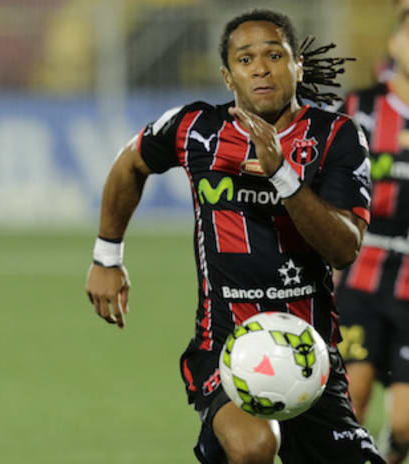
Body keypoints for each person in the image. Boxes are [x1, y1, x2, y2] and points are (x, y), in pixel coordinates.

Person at [85, 9, 385, 464]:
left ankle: (214, 448)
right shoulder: (196, 129)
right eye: (245, 59)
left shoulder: (336, 137)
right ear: (228, 76)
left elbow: (344, 248)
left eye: (273, 55)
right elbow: (131, 163)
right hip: (226, 346)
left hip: (309, 354)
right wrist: (107, 256)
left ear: (297, 64)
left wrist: (284, 177)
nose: (260, 67)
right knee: (253, 446)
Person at [335, 2, 409, 463]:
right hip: (361, 279)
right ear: (395, 43)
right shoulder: (361, 109)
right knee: (351, 402)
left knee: (404, 423)